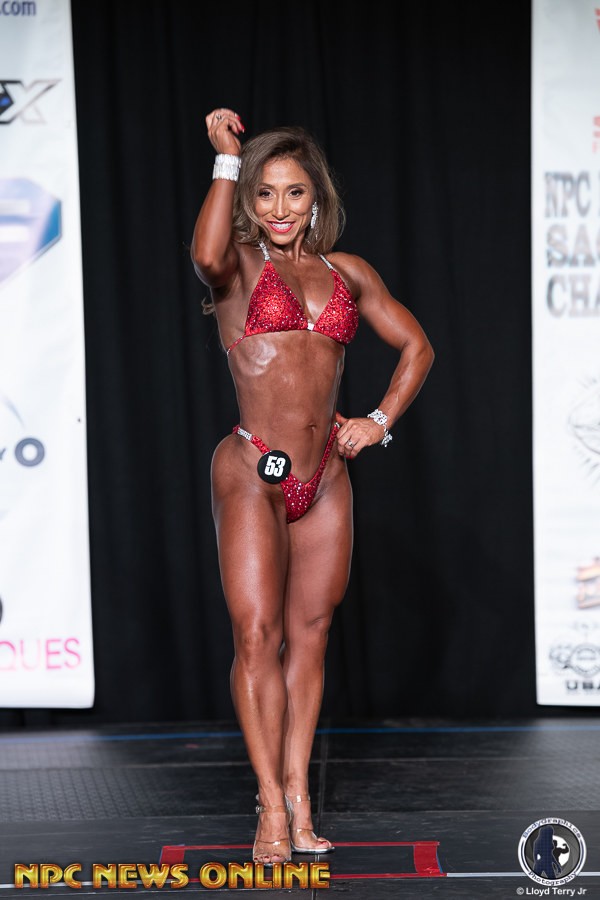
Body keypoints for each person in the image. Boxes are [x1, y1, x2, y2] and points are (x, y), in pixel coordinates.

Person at [191, 107, 434, 866]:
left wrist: (378, 421)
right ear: (248, 200)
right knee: (255, 635)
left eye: (294, 193)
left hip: (324, 476)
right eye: (264, 194)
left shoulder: (346, 273)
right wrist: (226, 159)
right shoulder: (237, 265)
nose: (280, 208)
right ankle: (268, 800)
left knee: (311, 635)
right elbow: (204, 254)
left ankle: (299, 795)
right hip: (252, 470)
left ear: (316, 198)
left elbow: (417, 346)